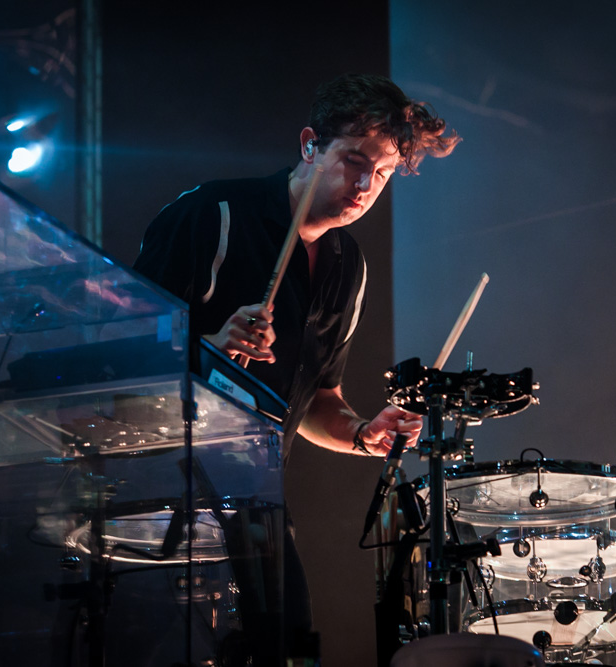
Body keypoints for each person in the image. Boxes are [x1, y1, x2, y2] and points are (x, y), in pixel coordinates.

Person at [133, 73, 459, 664]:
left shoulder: (345, 264)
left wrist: (363, 434)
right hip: (153, 498)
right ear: (310, 144)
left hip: (255, 503)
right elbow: (120, 356)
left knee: (289, 653)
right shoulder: (212, 214)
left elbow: (317, 403)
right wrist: (207, 341)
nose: (365, 185)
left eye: (382, 173)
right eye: (354, 161)